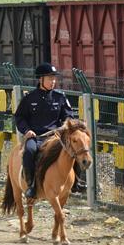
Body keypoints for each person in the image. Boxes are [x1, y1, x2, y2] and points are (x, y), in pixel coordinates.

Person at [13, 62, 77, 199]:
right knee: (29, 152)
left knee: (74, 149)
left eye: (54, 79)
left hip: (55, 137)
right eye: (49, 79)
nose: (53, 81)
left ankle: (77, 183)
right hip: (35, 137)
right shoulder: (29, 98)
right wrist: (27, 131)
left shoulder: (60, 97)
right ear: (40, 79)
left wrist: (65, 125)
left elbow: (69, 116)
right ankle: (31, 186)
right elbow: (19, 117)